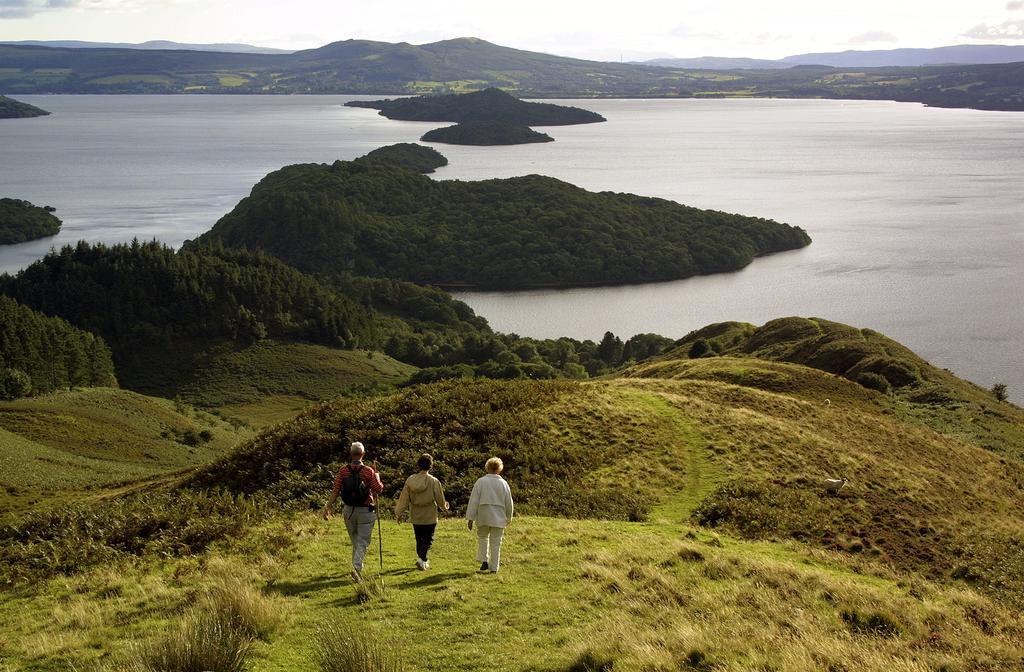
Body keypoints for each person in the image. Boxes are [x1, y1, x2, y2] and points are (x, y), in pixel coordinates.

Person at [323, 441, 384, 581]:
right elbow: (378, 489)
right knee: (362, 541)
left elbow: (336, 490)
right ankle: (356, 569)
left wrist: (328, 507)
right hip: (366, 511)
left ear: (351, 454)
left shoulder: (343, 471)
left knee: (356, 541)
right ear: (363, 454)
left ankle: (356, 567)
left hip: (348, 510)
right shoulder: (369, 471)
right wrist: (378, 477)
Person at [395, 453, 450, 570]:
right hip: (429, 513)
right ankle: (422, 559)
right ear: (431, 466)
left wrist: (399, 513)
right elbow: (439, 498)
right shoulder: (434, 481)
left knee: (419, 538)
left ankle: (421, 559)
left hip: (416, 513)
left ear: (418, 465)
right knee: (428, 538)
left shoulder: (410, 480)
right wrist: (444, 507)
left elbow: (404, 498)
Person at [466, 456, 514, 573]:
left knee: (483, 538)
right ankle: (494, 567)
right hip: (499, 516)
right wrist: (509, 517)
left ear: (487, 468)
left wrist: (470, 518)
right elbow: (509, 502)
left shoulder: (481, 482)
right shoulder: (504, 483)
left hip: (483, 515)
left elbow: (474, 501)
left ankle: (484, 561)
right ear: (499, 469)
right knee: (496, 542)